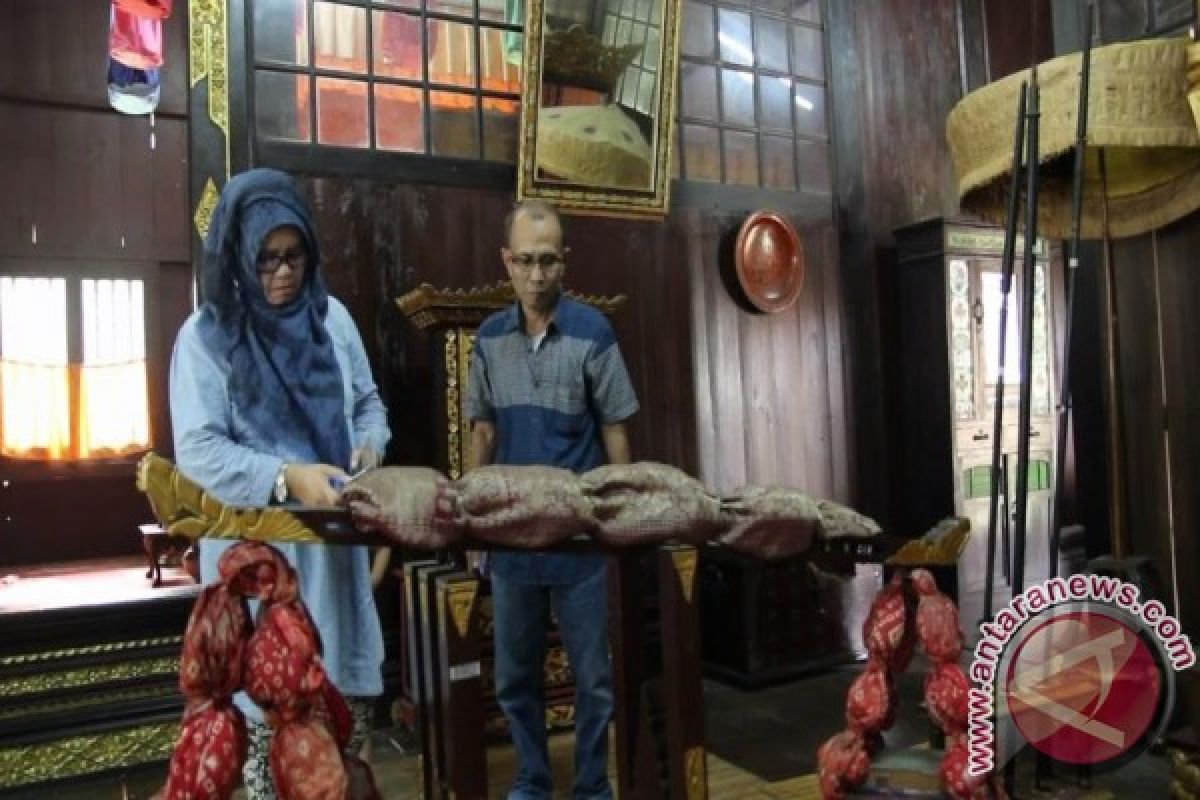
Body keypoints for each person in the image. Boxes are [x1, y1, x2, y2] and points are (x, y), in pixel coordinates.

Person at [168, 168, 390, 799]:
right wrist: (286, 475)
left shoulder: (333, 321)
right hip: (261, 568)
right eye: (265, 260)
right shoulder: (207, 339)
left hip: (334, 564)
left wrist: (368, 446)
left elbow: (370, 404)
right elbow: (199, 452)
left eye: (295, 258)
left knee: (341, 749)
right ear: (238, 256)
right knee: (273, 754)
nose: (283, 274)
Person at [466, 199, 639, 800]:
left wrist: (623, 519)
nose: (537, 275)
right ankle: (533, 782)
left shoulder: (594, 332)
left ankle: (593, 786)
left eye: (548, 261)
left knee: (594, 679)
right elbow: (482, 431)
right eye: (525, 262)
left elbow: (617, 428)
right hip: (512, 542)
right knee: (516, 678)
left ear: (564, 262)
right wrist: (470, 524)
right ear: (506, 262)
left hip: (581, 545)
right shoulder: (488, 340)